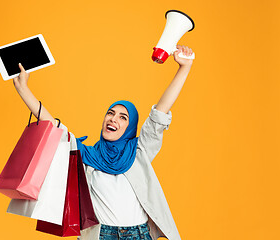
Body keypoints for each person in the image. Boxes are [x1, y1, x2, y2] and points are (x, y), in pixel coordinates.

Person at [13, 45, 194, 240]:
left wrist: (184, 68)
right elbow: (55, 128)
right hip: (101, 235)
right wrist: (23, 89)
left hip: (138, 235)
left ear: (130, 127)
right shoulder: (86, 156)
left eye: (123, 117)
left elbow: (160, 113)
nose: (113, 119)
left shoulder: (140, 150)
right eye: (110, 113)